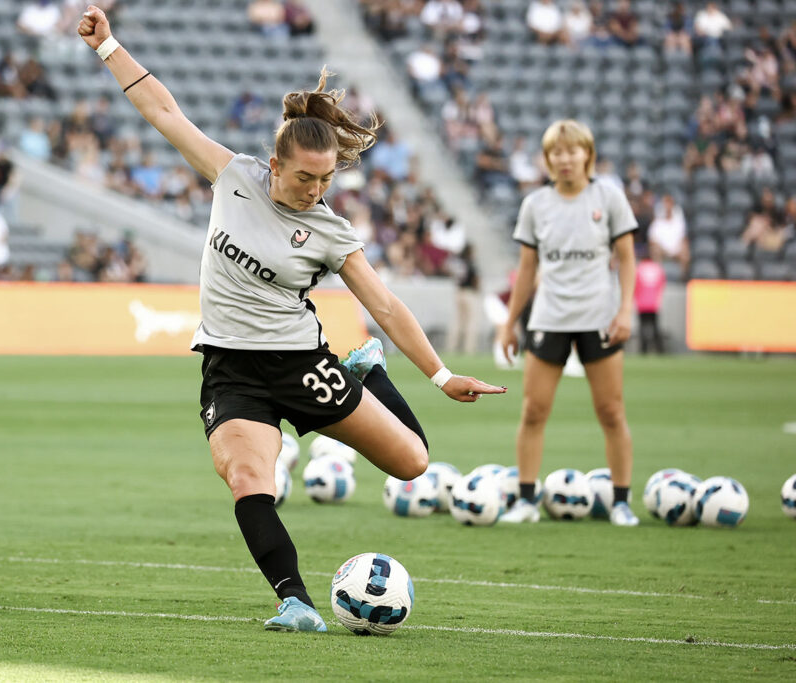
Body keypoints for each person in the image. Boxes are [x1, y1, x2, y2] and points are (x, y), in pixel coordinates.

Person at [77, 5, 507, 632]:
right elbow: (165, 112)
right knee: (249, 478)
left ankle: (368, 372)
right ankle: (295, 600)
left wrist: (441, 376)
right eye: (307, 177)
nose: (316, 190)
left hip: (302, 364)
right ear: (275, 165)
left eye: (327, 178)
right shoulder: (234, 178)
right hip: (232, 369)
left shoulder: (331, 231)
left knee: (413, 464)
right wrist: (107, 45)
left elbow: (383, 304)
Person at [496, 119, 639, 526]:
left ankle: (621, 502)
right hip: (549, 318)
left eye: (572, 150)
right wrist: (509, 324)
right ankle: (526, 499)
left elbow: (627, 257)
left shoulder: (609, 197)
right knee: (534, 411)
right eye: (556, 152)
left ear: (587, 155)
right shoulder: (535, 205)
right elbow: (527, 270)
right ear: (547, 159)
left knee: (611, 411)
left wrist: (625, 309)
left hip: (599, 317)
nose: (564, 159)